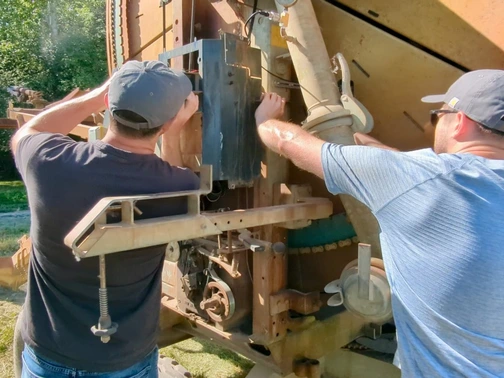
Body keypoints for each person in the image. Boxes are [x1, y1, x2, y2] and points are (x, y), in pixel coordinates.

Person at [254, 69, 504, 377]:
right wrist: (355, 141)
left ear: (461, 121)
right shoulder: (418, 177)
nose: (437, 122)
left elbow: (287, 142)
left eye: (440, 114)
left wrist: (266, 119)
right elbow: (405, 166)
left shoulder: (416, 181)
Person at [11, 60, 199, 377]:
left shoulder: (47, 160)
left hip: (48, 354)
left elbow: (27, 133)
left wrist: (95, 96)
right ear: (165, 124)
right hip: (125, 361)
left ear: (109, 106)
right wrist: (176, 129)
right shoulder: (178, 186)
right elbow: (173, 176)